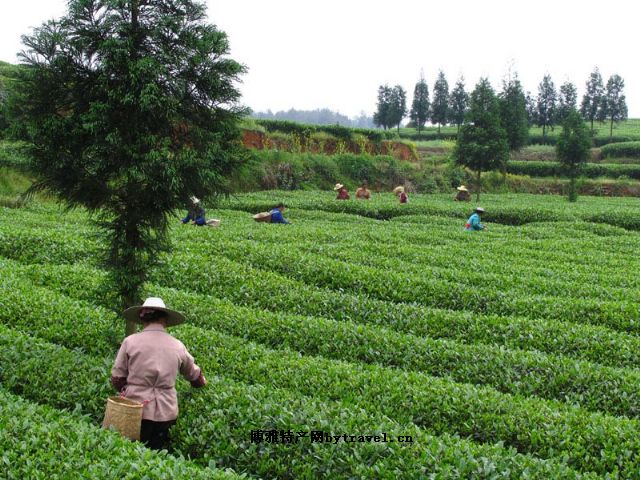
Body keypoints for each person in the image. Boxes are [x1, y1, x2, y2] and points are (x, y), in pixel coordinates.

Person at [111, 297, 206, 451]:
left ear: (143, 320)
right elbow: (194, 374)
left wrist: (128, 389)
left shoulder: (130, 341)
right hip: (166, 412)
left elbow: (117, 378)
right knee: (156, 456)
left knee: (129, 452)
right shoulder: (177, 345)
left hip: (135, 409)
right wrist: (199, 383)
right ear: (164, 320)